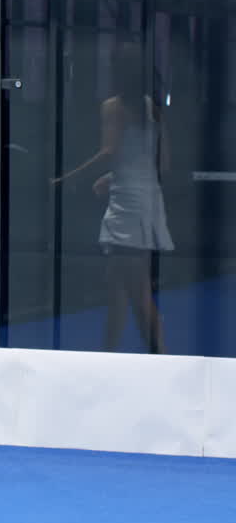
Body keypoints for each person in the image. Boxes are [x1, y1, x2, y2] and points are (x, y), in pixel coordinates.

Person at [52, 41, 172, 354]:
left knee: (137, 293)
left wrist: (67, 179)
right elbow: (162, 163)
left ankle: (162, 359)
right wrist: (113, 177)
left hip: (126, 209)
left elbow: (109, 152)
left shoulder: (114, 107)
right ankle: (109, 354)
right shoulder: (152, 108)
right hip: (146, 202)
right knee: (118, 289)